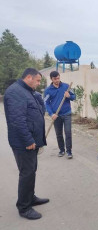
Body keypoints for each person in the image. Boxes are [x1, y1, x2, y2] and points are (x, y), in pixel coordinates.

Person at [4, 68, 49, 220]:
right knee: (27, 173)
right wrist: (28, 140)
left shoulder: (27, 91)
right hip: (24, 143)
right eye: (37, 80)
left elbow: (37, 111)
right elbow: (17, 120)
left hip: (31, 141)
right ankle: (24, 207)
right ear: (28, 77)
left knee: (31, 171)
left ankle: (30, 197)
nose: (38, 84)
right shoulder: (16, 92)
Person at [44, 71, 76, 159]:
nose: (57, 80)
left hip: (67, 113)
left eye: (58, 78)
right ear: (51, 79)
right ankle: (62, 150)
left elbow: (74, 97)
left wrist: (69, 95)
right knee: (59, 134)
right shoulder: (48, 90)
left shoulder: (66, 86)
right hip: (56, 115)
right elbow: (46, 103)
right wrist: (51, 113)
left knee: (68, 132)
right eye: (55, 79)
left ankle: (69, 151)